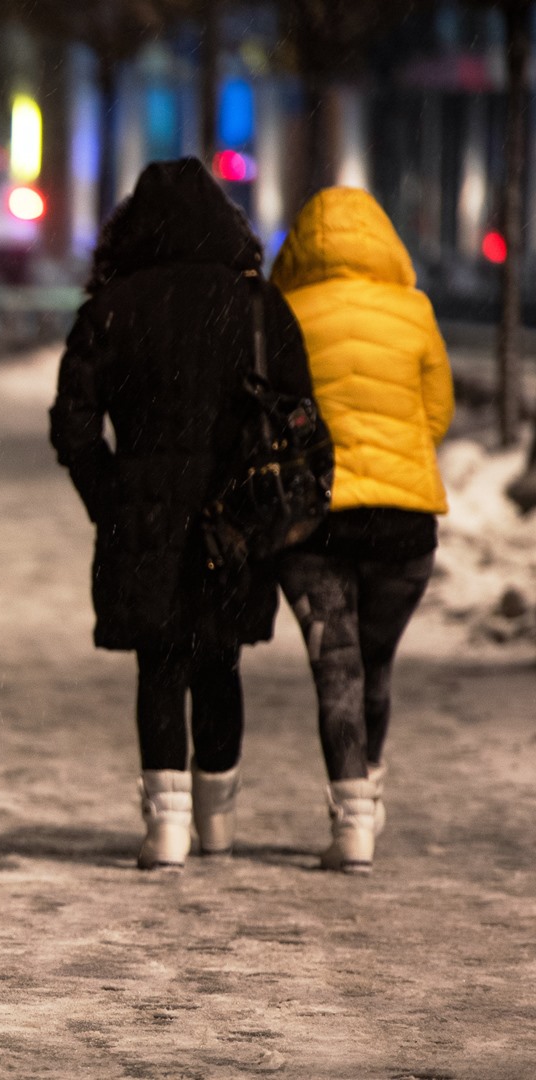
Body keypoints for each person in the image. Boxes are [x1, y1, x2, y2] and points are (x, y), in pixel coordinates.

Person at [49, 158, 314, 871]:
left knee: (159, 662)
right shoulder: (257, 307)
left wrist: (113, 495)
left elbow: (72, 426)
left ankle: (165, 825)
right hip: (236, 513)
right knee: (218, 658)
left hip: (143, 513)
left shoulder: (112, 307)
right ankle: (217, 820)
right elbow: (299, 412)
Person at [269, 187, 453, 873]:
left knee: (335, 670)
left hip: (315, 521)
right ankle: (370, 785)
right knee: (376, 663)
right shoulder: (414, 311)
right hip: (403, 528)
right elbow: (436, 414)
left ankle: (352, 823)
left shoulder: (285, 313)